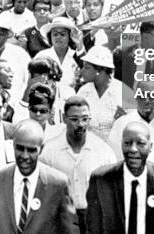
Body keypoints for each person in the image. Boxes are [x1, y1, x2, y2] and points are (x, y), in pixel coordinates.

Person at [0, 119, 78, 234]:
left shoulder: (58, 183)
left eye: (31, 150)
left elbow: (69, 230)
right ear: (13, 145)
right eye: (20, 148)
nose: (25, 156)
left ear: (41, 148)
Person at [86, 121, 154, 233]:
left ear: (150, 147)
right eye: (127, 143)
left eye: (140, 143)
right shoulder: (101, 179)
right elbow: (93, 228)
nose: (133, 149)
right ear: (121, 144)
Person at [40, 96, 116, 232]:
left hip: (93, 218)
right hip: (61, 219)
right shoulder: (49, 151)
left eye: (85, 119)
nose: (80, 124)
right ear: (64, 118)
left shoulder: (103, 150)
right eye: (74, 119)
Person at [77, 46, 134, 142]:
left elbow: (134, 126)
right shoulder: (83, 91)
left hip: (116, 149)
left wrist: (122, 121)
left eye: (86, 68)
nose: (81, 71)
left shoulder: (123, 92)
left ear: (99, 70)